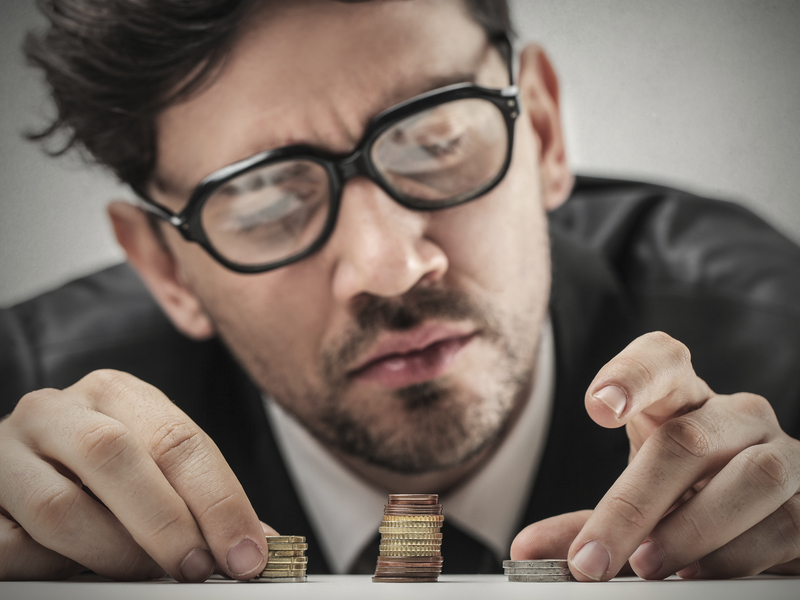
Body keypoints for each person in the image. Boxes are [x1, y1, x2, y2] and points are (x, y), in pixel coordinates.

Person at [1, 0, 799, 584]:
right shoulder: (24, 406)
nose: (391, 267)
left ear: (545, 132)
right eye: (268, 201)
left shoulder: (783, 345)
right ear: (168, 268)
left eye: (435, 142)